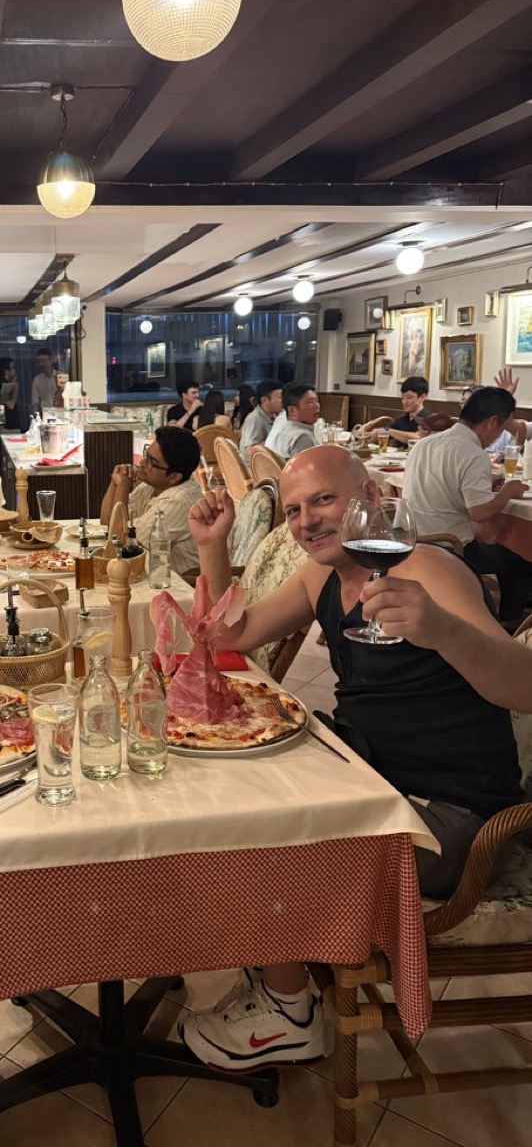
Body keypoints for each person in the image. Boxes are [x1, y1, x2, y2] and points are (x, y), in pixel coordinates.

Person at [177, 444, 528, 1072]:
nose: (306, 520)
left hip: (452, 813)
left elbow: (525, 690)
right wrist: (213, 545)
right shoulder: (322, 576)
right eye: (293, 510)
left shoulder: (429, 571)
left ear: (369, 497)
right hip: (373, 780)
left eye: (323, 500)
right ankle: (279, 969)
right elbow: (232, 633)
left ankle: (289, 1016)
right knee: (234, 794)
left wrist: (443, 630)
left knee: (273, 844)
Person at [403, 386, 532, 628]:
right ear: (492, 422)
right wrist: (507, 492)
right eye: (502, 428)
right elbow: (479, 513)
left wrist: (485, 484)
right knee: (520, 562)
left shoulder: (425, 443)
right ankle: (506, 628)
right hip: (450, 547)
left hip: (410, 539)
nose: (498, 435)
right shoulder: (473, 453)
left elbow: (444, 485)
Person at [99, 426, 202, 575]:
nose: (142, 462)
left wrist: (123, 486)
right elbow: (106, 521)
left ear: (174, 477)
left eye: (151, 462)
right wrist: (115, 482)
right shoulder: (154, 485)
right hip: (156, 575)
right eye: (146, 454)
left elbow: (118, 543)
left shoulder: (178, 502)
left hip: (183, 584)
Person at [264, 382, 320, 459]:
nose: (316, 406)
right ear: (292, 410)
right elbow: (303, 466)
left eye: (317, 401)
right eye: (309, 402)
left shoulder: (283, 429)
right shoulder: (302, 437)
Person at [376, 377, 431, 445]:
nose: (404, 402)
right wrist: (372, 433)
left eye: (409, 397)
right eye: (402, 397)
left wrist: (389, 431)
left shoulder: (429, 420)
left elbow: (418, 437)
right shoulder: (401, 420)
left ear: (422, 397)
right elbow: (386, 429)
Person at [240, 380, 283, 454]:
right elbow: (251, 451)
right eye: (280, 397)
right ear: (264, 400)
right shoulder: (255, 419)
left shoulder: (274, 416)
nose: (284, 401)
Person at [30, 347, 63, 415]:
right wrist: (35, 416)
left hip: (61, 413)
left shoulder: (61, 376)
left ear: (51, 360)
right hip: (45, 414)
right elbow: (35, 402)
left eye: (43, 361)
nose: (41, 364)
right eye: (38, 362)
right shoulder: (37, 380)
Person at [0, 355, 21, 430]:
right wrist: (15, 389)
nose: (15, 370)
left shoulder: (4, 383)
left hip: (9, 425)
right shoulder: (3, 385)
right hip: (8, 426)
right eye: (13, 368)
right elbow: (11, 405)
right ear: (6, 371)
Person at [399, 313, 427, 379]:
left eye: (421, 337)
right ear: (409, 338)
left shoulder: (422, 364)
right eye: (415, 336)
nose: (419, 342)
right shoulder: (403, 362)